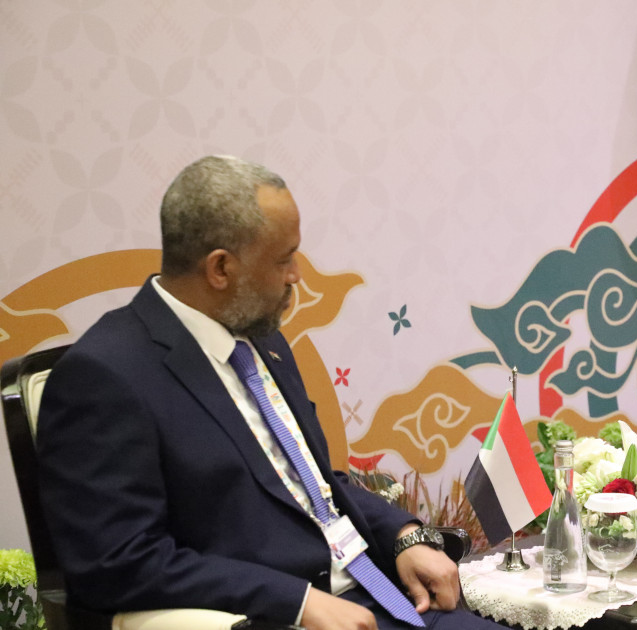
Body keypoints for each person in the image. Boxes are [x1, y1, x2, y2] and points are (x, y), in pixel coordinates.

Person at [36, 155, 508, 630]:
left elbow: (316, 484)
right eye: (283, 260)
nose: (296, 275)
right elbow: (118, 563)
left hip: (378, 592)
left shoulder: (261, 339)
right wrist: (298, 601)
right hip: (278, 617)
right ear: (220, 268)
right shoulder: (104, 376)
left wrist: (402, 534)